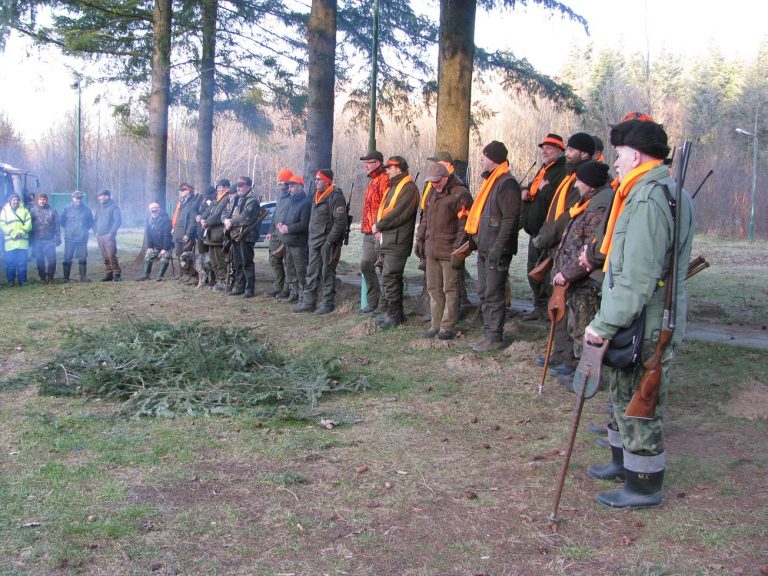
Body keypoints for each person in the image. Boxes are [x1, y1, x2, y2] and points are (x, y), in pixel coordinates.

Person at [584, 119, 694, 509]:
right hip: (638, 315)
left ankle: (643, 485)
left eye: (618, 156)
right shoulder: (654, 190)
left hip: (643, 319)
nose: (614, 163)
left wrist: (603, 324)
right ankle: (621, 462)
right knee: (621, 393)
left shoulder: (648, 198)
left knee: (639, 403)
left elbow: (636, 275)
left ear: (635, 155)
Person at [532, 132, 596, 373]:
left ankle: (570, 359)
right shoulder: (571, 178)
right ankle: (560, 353)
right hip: (559, 250)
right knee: (557, 303)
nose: (567, 153)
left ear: (585, 154)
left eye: (571, 150)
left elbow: (567, 216)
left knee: (571, 310)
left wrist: (546, 236)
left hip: (571, 254)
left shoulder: (587, 180)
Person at [550, 161, 614, 389]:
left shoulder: (600, 205)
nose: (576, 185)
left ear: (588, 182)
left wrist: (566, 273)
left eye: (579, 180)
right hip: (578, 279)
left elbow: (590, 248)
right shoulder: (590, 202)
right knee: (577, 327)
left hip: (588, 280)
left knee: (587, 330)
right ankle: (581, 372)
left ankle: (591, 378)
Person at [465, 141, 521, 352]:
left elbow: (510, 219)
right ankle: (489, 334)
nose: (481, 159)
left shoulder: (507, 183)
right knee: (484, 292)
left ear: (493, 158)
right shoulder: (493, 182)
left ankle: (495, 337)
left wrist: (499, 246)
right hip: (485, 247)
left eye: (484, 156)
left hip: (496, 250)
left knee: (494, 293)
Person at [415, 162, 473, 340]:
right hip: (431, 250)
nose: (434, 185)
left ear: (446, 178)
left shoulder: (460, 194)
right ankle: (435, 325)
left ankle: (447, 327)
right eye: (432, 182)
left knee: (450, 290)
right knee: (434, 289)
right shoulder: (432, 193)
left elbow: (465, 227)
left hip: (449, 252)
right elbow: (425, 218)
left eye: (437, 181)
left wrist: (457, 251)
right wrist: (420, 238)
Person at [520, 133, 568, 321]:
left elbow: (558, 201)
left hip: (549, 230)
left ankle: (550, 309)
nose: (544, 150)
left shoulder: (562, 171)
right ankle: (538, 306)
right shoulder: (544, 169)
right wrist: (525, 190)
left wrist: (545, 189)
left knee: (546, 271)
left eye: (548, 147)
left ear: (559, 150)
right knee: (533, 268)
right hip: (535, 230)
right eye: (543, 147)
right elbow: (533, 188)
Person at [371, 156, 419, 328]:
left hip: (398, 241)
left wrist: (379, 225)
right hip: (389, 239)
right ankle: (396, 314)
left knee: (390, 277)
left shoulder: (408, 188)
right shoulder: (395, 186)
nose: (387, 170)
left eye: (390, 167)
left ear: (399, 168)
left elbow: (399, 214)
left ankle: (394, 316)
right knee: (392, 277)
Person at [293, 170, 347, 314]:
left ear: (327, 181)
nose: (316, 182)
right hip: (314, 241)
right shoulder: (316, 196)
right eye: (315, 180)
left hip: (326, 242)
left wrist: (330, 241)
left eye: (319, 179)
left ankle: (328, 303)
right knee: (311, 272)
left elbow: (340, 222)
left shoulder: (335, 196)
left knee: (327, 272)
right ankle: (309, 302)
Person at [358, 150, 390, 314]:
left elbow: (387, 207)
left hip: (380, 232)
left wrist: (379, 227)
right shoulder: (372, 181)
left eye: (368, 163)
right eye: (365, 163)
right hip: (368, 232)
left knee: (383, 268)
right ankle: (373, 301)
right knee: (365, 265)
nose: (366, 166)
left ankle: (384, 305)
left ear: (378, 163)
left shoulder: (385, 180)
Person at [223, 176, 261, 298]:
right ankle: (239, 287)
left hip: (247, 236)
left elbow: (246, 216)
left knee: (247, 263)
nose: (238, 188)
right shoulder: (236, 199)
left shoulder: (253, 200)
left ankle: (249, 289)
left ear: (249, 186)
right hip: (235, 235)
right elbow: (225, 212)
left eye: (242, 185)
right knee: (237, 262)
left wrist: (231, 222)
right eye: (238, 186)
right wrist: (225, 220)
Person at [276, 175, 311, 304]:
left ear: (300, 186)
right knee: (290, 269)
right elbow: (286, 217)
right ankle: (293, 293)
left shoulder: (306, 202)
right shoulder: (291, 201)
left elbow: (304, 223)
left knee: (301, 270)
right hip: (288, 241)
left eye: (293, 186)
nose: (290, 188)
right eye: (289, 186)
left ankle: (303, 297)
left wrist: (288, 229)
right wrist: (281, 224)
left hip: (299, 242)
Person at [266, 168, 294, 297]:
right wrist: (271, 230)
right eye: (279, 181)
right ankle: (278, 286)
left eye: (282, 181)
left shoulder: (294, 195)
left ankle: (287, 289)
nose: (280, 184)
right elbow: (276, 213)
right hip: (276, 232)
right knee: (273, 259)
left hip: (287, 233)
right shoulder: (280, 195)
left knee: (288, 262)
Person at [202, 178, 233, 292]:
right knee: (213, 259)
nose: (219, 189)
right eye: (218, 187)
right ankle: (219, 280)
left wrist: (207, 222)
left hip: (219, 234)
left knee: (219, 259)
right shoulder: (217, 199)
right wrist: (202, 218)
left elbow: (218, 214)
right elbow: (208, 211)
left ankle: (224, 281)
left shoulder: (226, 199)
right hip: (211, 234)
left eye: (221, 187)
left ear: (226, 188)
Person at [60, 190, 94, 282]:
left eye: (80, 198)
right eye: (76, 198)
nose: (78, 200)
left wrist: (84, 230)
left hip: (82, 238)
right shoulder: (66, 209)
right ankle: (66, 278)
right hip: (70, 238)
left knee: (82, 257)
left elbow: (91, 222)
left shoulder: (87, 210)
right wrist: (70, 230)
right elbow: (62, 222)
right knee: (67, 258)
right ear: (73, 198)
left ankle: (83, 278)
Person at [135, 202, 173, 281]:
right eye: (152, 211)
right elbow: (148, 234)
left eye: (155, 210)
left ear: (159, 209)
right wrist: (150, 247)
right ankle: (146, 275)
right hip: (156, 246)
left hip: (167, 246)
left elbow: (167, 235)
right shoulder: (148, 220)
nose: (154, 212)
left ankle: (160, 276)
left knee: (164, 258)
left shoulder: (166, 220)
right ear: (150, 211)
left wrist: (165, 249)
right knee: (148, 256)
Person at [0, 193, 32, 286]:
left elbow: (29, 224)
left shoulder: (25, 210)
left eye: (17, 200)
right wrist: (13, 234)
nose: (15, 201)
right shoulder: (4, 211)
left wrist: (21, 232)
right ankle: (11, 281)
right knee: (10, 263)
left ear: (19, 201)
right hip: (10, 243)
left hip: (22, 242)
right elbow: (2, 224)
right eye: (13, 200)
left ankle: (22, 281)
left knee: (22, 263)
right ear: (10, 201)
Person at [29, 193, 61, 284]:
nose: (42, 201)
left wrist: (58, 237)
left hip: (49, 240)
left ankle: (50, 277)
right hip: (37, 240)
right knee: (40, 260)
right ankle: (42, 278)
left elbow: (57, 225)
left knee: (52, 260)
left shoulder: (53, 210)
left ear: (47, 200)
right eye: (40, 199)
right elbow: (29, 226)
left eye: (44, 199)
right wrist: (31, 240)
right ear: (37, 200)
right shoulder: (33, 211)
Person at [172, 183, 200, 285]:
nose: (180, 193)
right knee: (180, 255)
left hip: (186, 234)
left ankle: (193, 276)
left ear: (188, 191)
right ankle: (185, 274)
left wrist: (188, 234)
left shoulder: (193, 203)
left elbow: (192, 221)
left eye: (182, 191)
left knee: (187, 255)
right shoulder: (181, 202)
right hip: (178, 233)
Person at [93, 189, 122, 282]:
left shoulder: (114, 207)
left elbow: (118, 221)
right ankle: (109, 273)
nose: (99, 198)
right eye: (99, 196)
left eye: (101, 196)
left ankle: (116, 273)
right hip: (99, 235)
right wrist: (95, 231)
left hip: (109, 236)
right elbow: (95, 220)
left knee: (111, 255)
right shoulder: (99, 207)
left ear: (107, 196)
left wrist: (112, 233)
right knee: (105, 256)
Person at [194, 186, 217, 287]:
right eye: (205, 196)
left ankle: (214, 278)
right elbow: (194, 210)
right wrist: (197, 216)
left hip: (212, 233)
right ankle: (205, 278)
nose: (206, 198)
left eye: (208, 196)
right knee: (202, 256)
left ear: (213, 194)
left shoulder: (216, 202)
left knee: (212, 257)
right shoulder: (201, 201)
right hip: (201, 233)